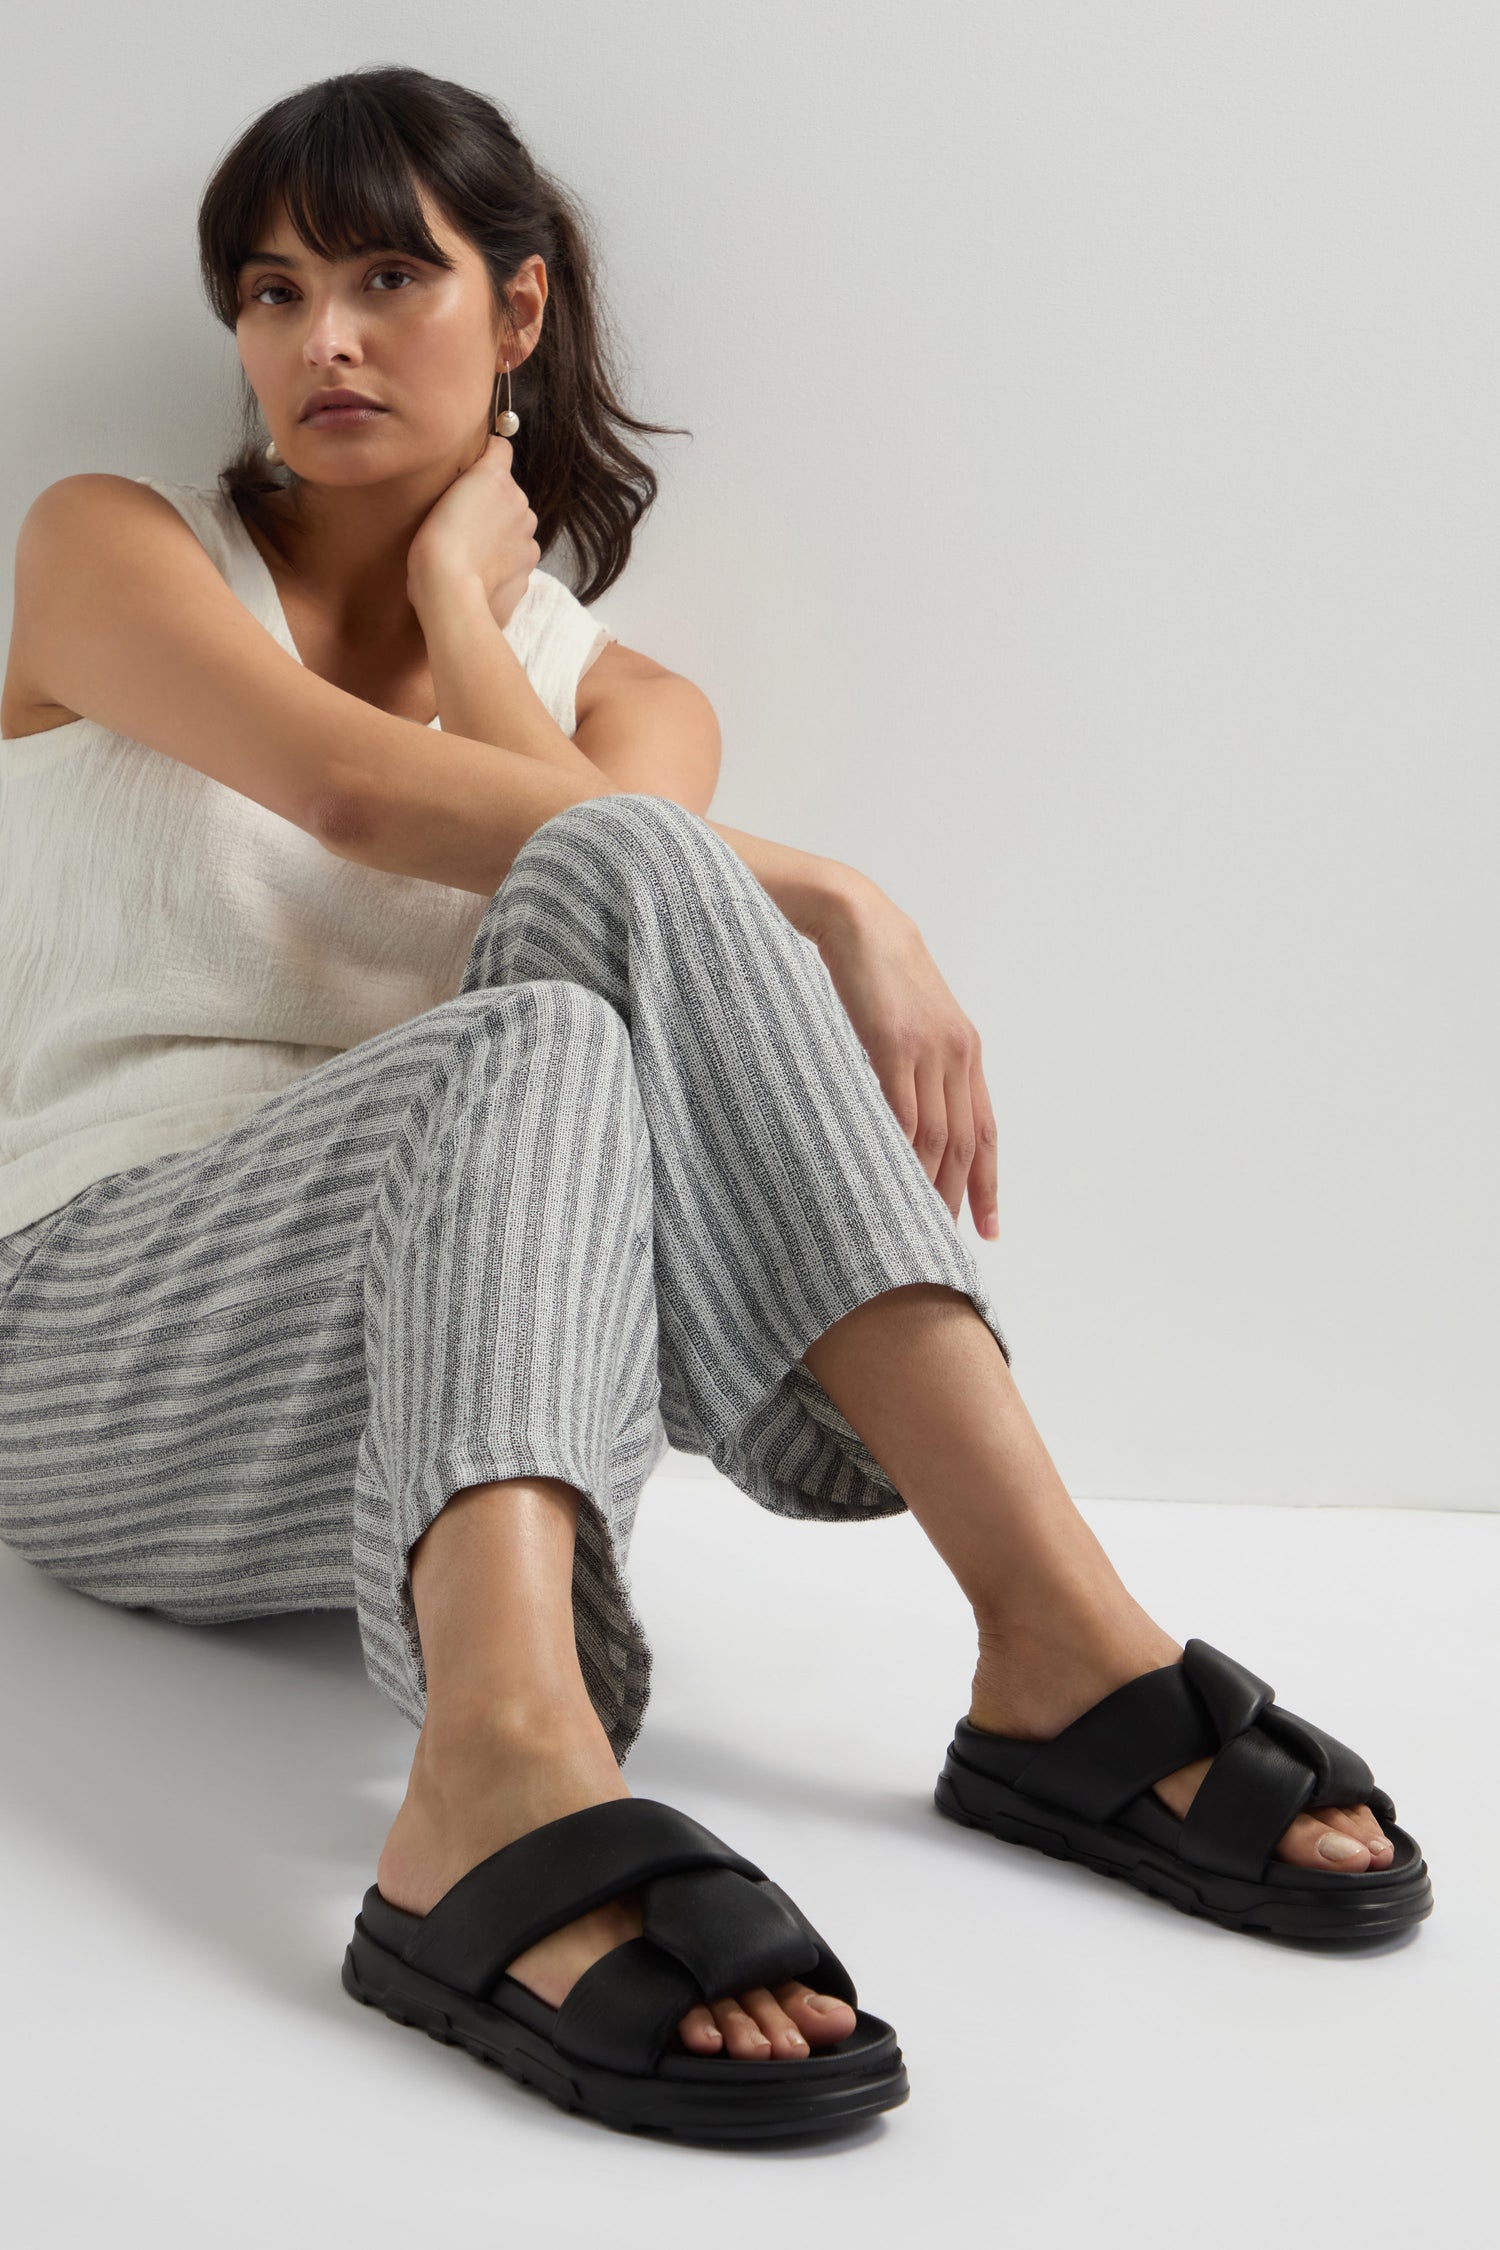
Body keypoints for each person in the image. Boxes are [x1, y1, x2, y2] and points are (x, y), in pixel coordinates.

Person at [0, 66, 1428, 2143]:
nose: (317, 339)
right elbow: (350, 791)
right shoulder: (113, 548)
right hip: (95, 1349)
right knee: (591, 937)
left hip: (437, 1385)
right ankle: (546, 1750)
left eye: (388, 274)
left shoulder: (633, 699)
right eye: (270, 289)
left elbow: (573, 836)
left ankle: (1038, 1647)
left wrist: (475, 623)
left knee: (595, 937)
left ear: (519, 312)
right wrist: (837, 889)